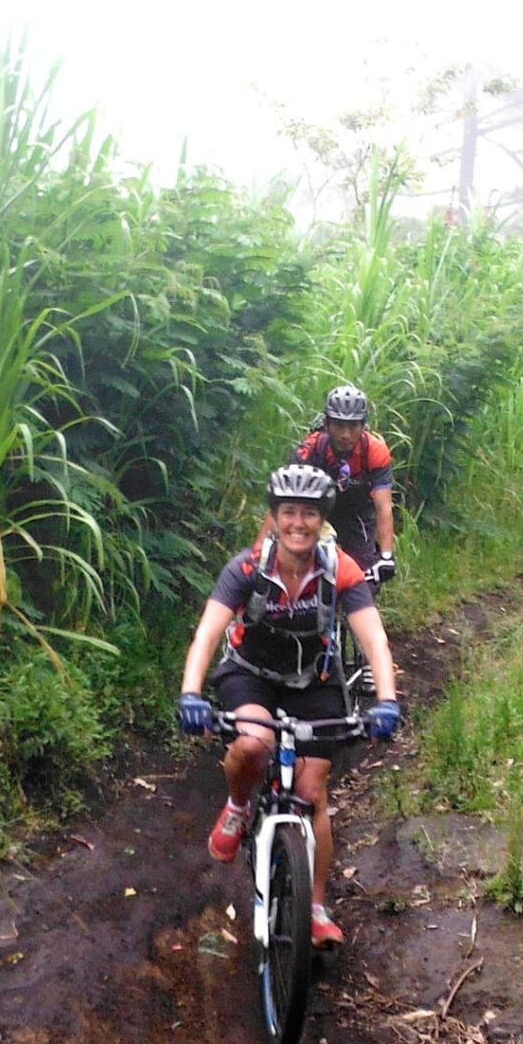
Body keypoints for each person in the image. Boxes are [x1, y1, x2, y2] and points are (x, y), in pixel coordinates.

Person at [178, 462, 401, 948]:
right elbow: (208, 633)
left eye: (309, 514)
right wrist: (191, 693)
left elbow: (374, 640)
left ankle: (315, 908)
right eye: (289, 513)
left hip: (313, 681)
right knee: (253, 745)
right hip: (251, 676)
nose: (298, 523)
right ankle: (239, 806)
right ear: (275, 517)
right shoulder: (246, 569)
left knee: (311, 791)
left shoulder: (339, 569)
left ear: (322, 519)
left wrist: (386, 700)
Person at [262, 382, 397, 583]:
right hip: (316, 512)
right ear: (327, 424)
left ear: (363, 426)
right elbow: (282, 503)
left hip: (357, 515)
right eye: (339, 425)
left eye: (353, 426)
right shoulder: (310, 450)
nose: (345, 435)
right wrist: (259, 553)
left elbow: (383, 506)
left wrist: (386, 556)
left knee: (364, 580)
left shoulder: (374, 451)